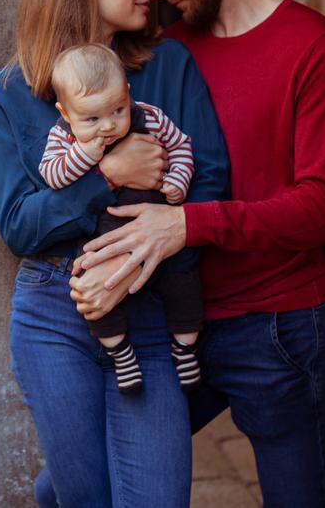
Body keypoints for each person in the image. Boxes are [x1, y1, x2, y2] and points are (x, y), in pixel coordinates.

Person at [70, 0, 325, 507]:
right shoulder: (165, 51)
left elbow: (322, 207)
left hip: (283, 327)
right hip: (174, 325)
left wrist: (188, 225)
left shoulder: (314, 45)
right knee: (71, 483)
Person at [0, 0, 229, 507]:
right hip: (54, 315)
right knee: (84, 495)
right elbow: (18, 226)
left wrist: (148, 241)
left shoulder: (168, 67)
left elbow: (212, 181)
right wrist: (106, 176)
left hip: (149, 306)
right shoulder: (11, 91)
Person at [39, 43, 202, 395]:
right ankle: (121, 353)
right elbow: (51, 175)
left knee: (184, 284)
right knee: (95, 293)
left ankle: (185, 348)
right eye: (91, 119)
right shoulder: (63, 138)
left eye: (117, 110)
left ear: (128, 92)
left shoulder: (150, 117)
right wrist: (91, 158)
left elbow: (182, 145)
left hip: (157, 227)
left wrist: (177, 181)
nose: (108, 127)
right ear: (65, 113)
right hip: (106, 239)